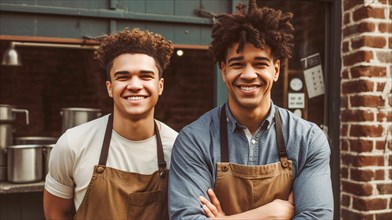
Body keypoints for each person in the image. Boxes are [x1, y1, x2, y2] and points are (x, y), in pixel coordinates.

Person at [168, 0, 334, 219]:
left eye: (259, 63)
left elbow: (316, 217)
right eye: (237, 63)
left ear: (275, 70)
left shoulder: (308, 139)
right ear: (223, 70)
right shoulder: (194, 140)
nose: (248, 74)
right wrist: (270, 214)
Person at [43, 28, 177, 220]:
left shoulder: (179, 148)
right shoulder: (72, 144)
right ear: (109, 87)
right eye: (123, 77)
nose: (135, 85)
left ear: (160, 86)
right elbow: (55, 213)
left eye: (145, 76)